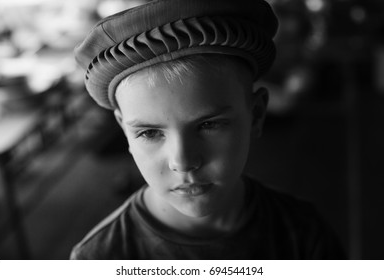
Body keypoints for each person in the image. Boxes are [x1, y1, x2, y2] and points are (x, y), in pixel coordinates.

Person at [70, 0, 345, 259]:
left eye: (209, 124)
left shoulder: (304, 236)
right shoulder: (100, 259)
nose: (183, 162)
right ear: (124, 131)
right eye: (149, 133)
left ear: (256, 115)